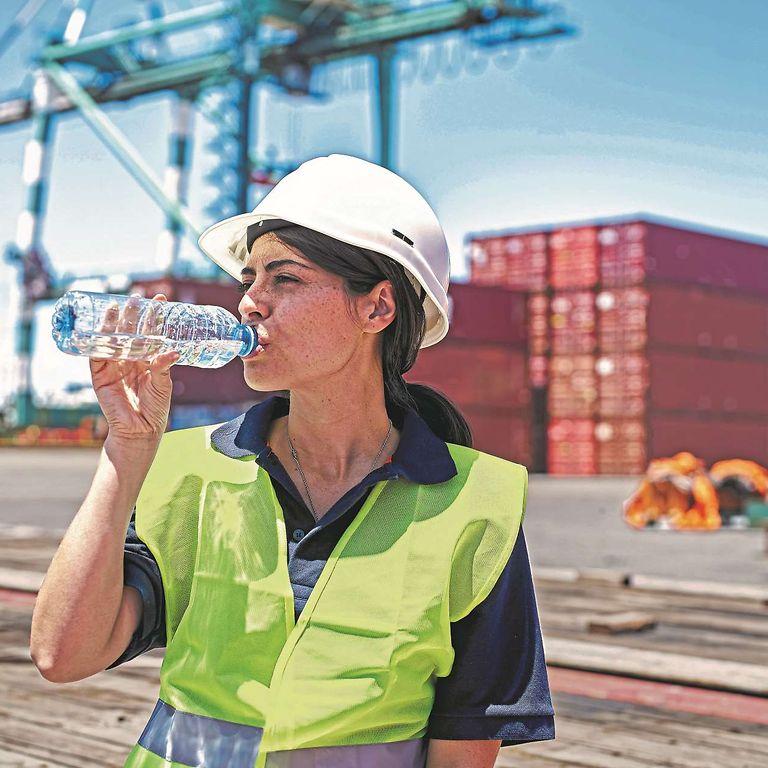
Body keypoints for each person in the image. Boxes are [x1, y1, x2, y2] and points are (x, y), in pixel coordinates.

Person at [30, 154, 555, 767]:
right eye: (248, 280)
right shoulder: (190, 470)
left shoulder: (475, 504)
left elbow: (464, 748)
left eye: (285, 279)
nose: (249, 304)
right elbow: (61, 655)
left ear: (377, 308)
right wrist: (126, 449)